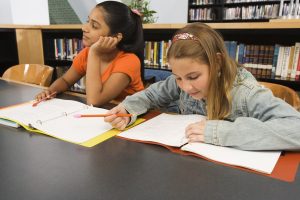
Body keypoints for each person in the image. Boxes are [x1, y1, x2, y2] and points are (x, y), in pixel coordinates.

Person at [104, 22, 300, 151]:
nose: (186, 87)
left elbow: (295, 129)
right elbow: (150, 96)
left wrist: (219, 132)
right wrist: (128, 109)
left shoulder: (245, 93)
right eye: (178, 77)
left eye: (193, 76)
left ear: (217, 63)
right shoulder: (180, 83)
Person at [36, 1, 144, 106]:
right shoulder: (86, 53)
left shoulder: (129, 61)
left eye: (94, 26)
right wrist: (50, 91)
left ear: (115, 37)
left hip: (133, 117)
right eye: (87, 21)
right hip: (106, 112)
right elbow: (65, 80)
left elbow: (94, 101)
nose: (84, 28)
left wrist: (94, 53)